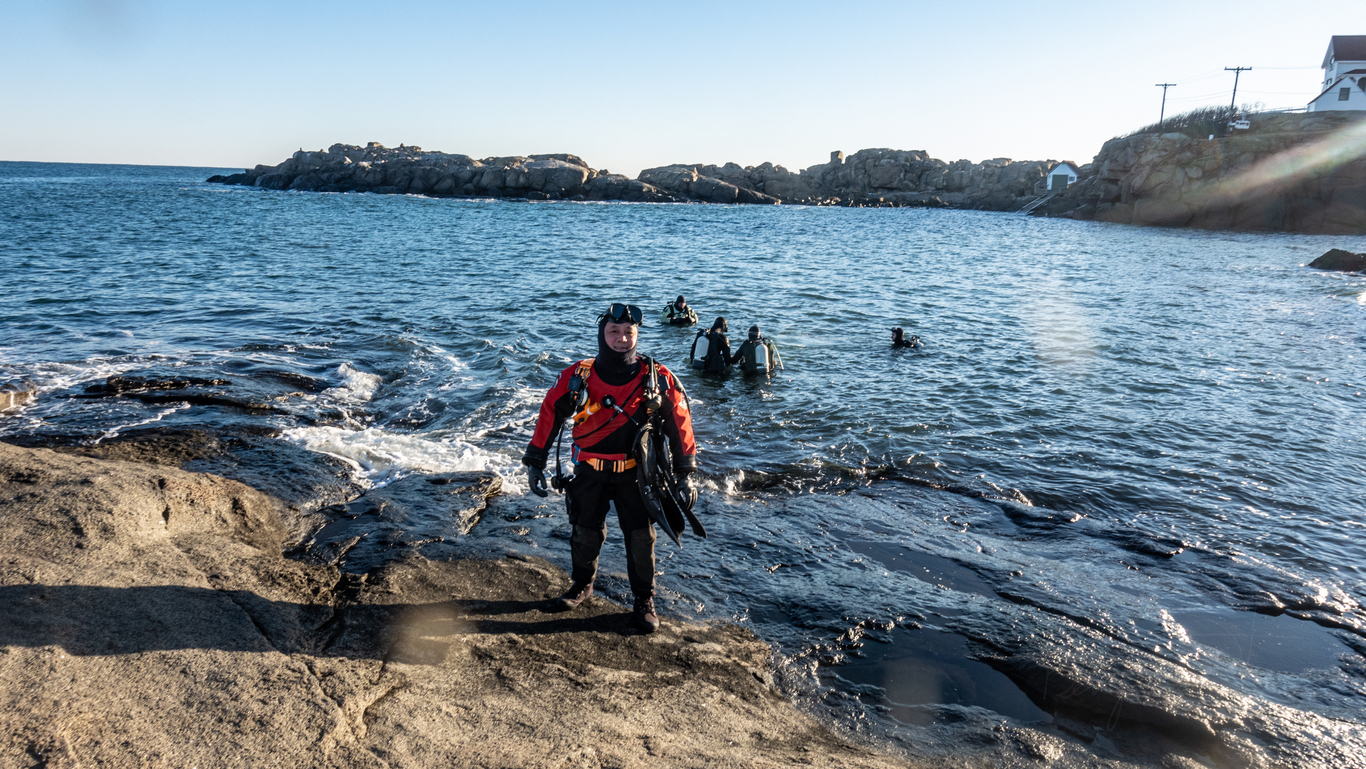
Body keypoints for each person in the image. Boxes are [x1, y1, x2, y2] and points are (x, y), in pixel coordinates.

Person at [522, 302, 699, 633]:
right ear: (602, 334)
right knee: (585, 531)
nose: (622, 338)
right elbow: (549, 414)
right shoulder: (578, 375)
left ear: (637, 335)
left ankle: (644, 599)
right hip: (589, 471)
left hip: (636, 474)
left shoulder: (658, 378)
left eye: (629, 332)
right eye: (614, 331)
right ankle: (582, 585)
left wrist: (685, 474)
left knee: (641, 538)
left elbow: (680, 424)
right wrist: (535, 462)